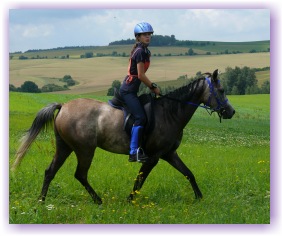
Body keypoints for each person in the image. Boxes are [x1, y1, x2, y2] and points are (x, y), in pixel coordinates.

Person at [119, 22, 160, 163]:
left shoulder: (142, 50)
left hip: (132, 89)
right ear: (138, 37)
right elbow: (141, 75)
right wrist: (153, 87)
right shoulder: (140, 51)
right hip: (128, 91)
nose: (148, 37)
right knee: (140, 118)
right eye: (145, 35)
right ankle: (133, 152)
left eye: (149, 34)